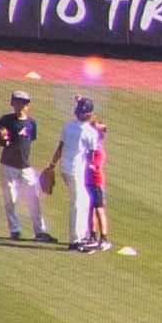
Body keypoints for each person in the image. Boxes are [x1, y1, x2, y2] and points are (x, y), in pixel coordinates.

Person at [0, 91, 53, 244]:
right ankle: (14, 230)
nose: (20, 105)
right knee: (10, 198)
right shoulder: (6, 119)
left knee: (33, 198)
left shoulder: (31, 123)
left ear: (27, 105)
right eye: (17, 102)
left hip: (25, 166)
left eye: (23, 103)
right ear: (12, 103)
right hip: (8, 165)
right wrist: (0, 135)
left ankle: (40, 231)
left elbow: (28, 142)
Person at [50, 95, 101, 250]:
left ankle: (83, 236)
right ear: (90, 114)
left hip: (65, 169)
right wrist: (91, 167)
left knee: (84, 200)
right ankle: (75, 241)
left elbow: (60, 147)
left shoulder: (68, 126)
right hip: (76, 171)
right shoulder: (91, 133)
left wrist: (52, 164)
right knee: (78, 204)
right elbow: (91, 157)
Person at [85, 117, 111, 251]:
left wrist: (84, 164)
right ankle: (92, 237)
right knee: (91, 209)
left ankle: (104, 239)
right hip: (88, 182)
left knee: (99, 209)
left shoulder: (99, 150)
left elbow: (95, 166)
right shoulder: (90, 147)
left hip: (96, 182)